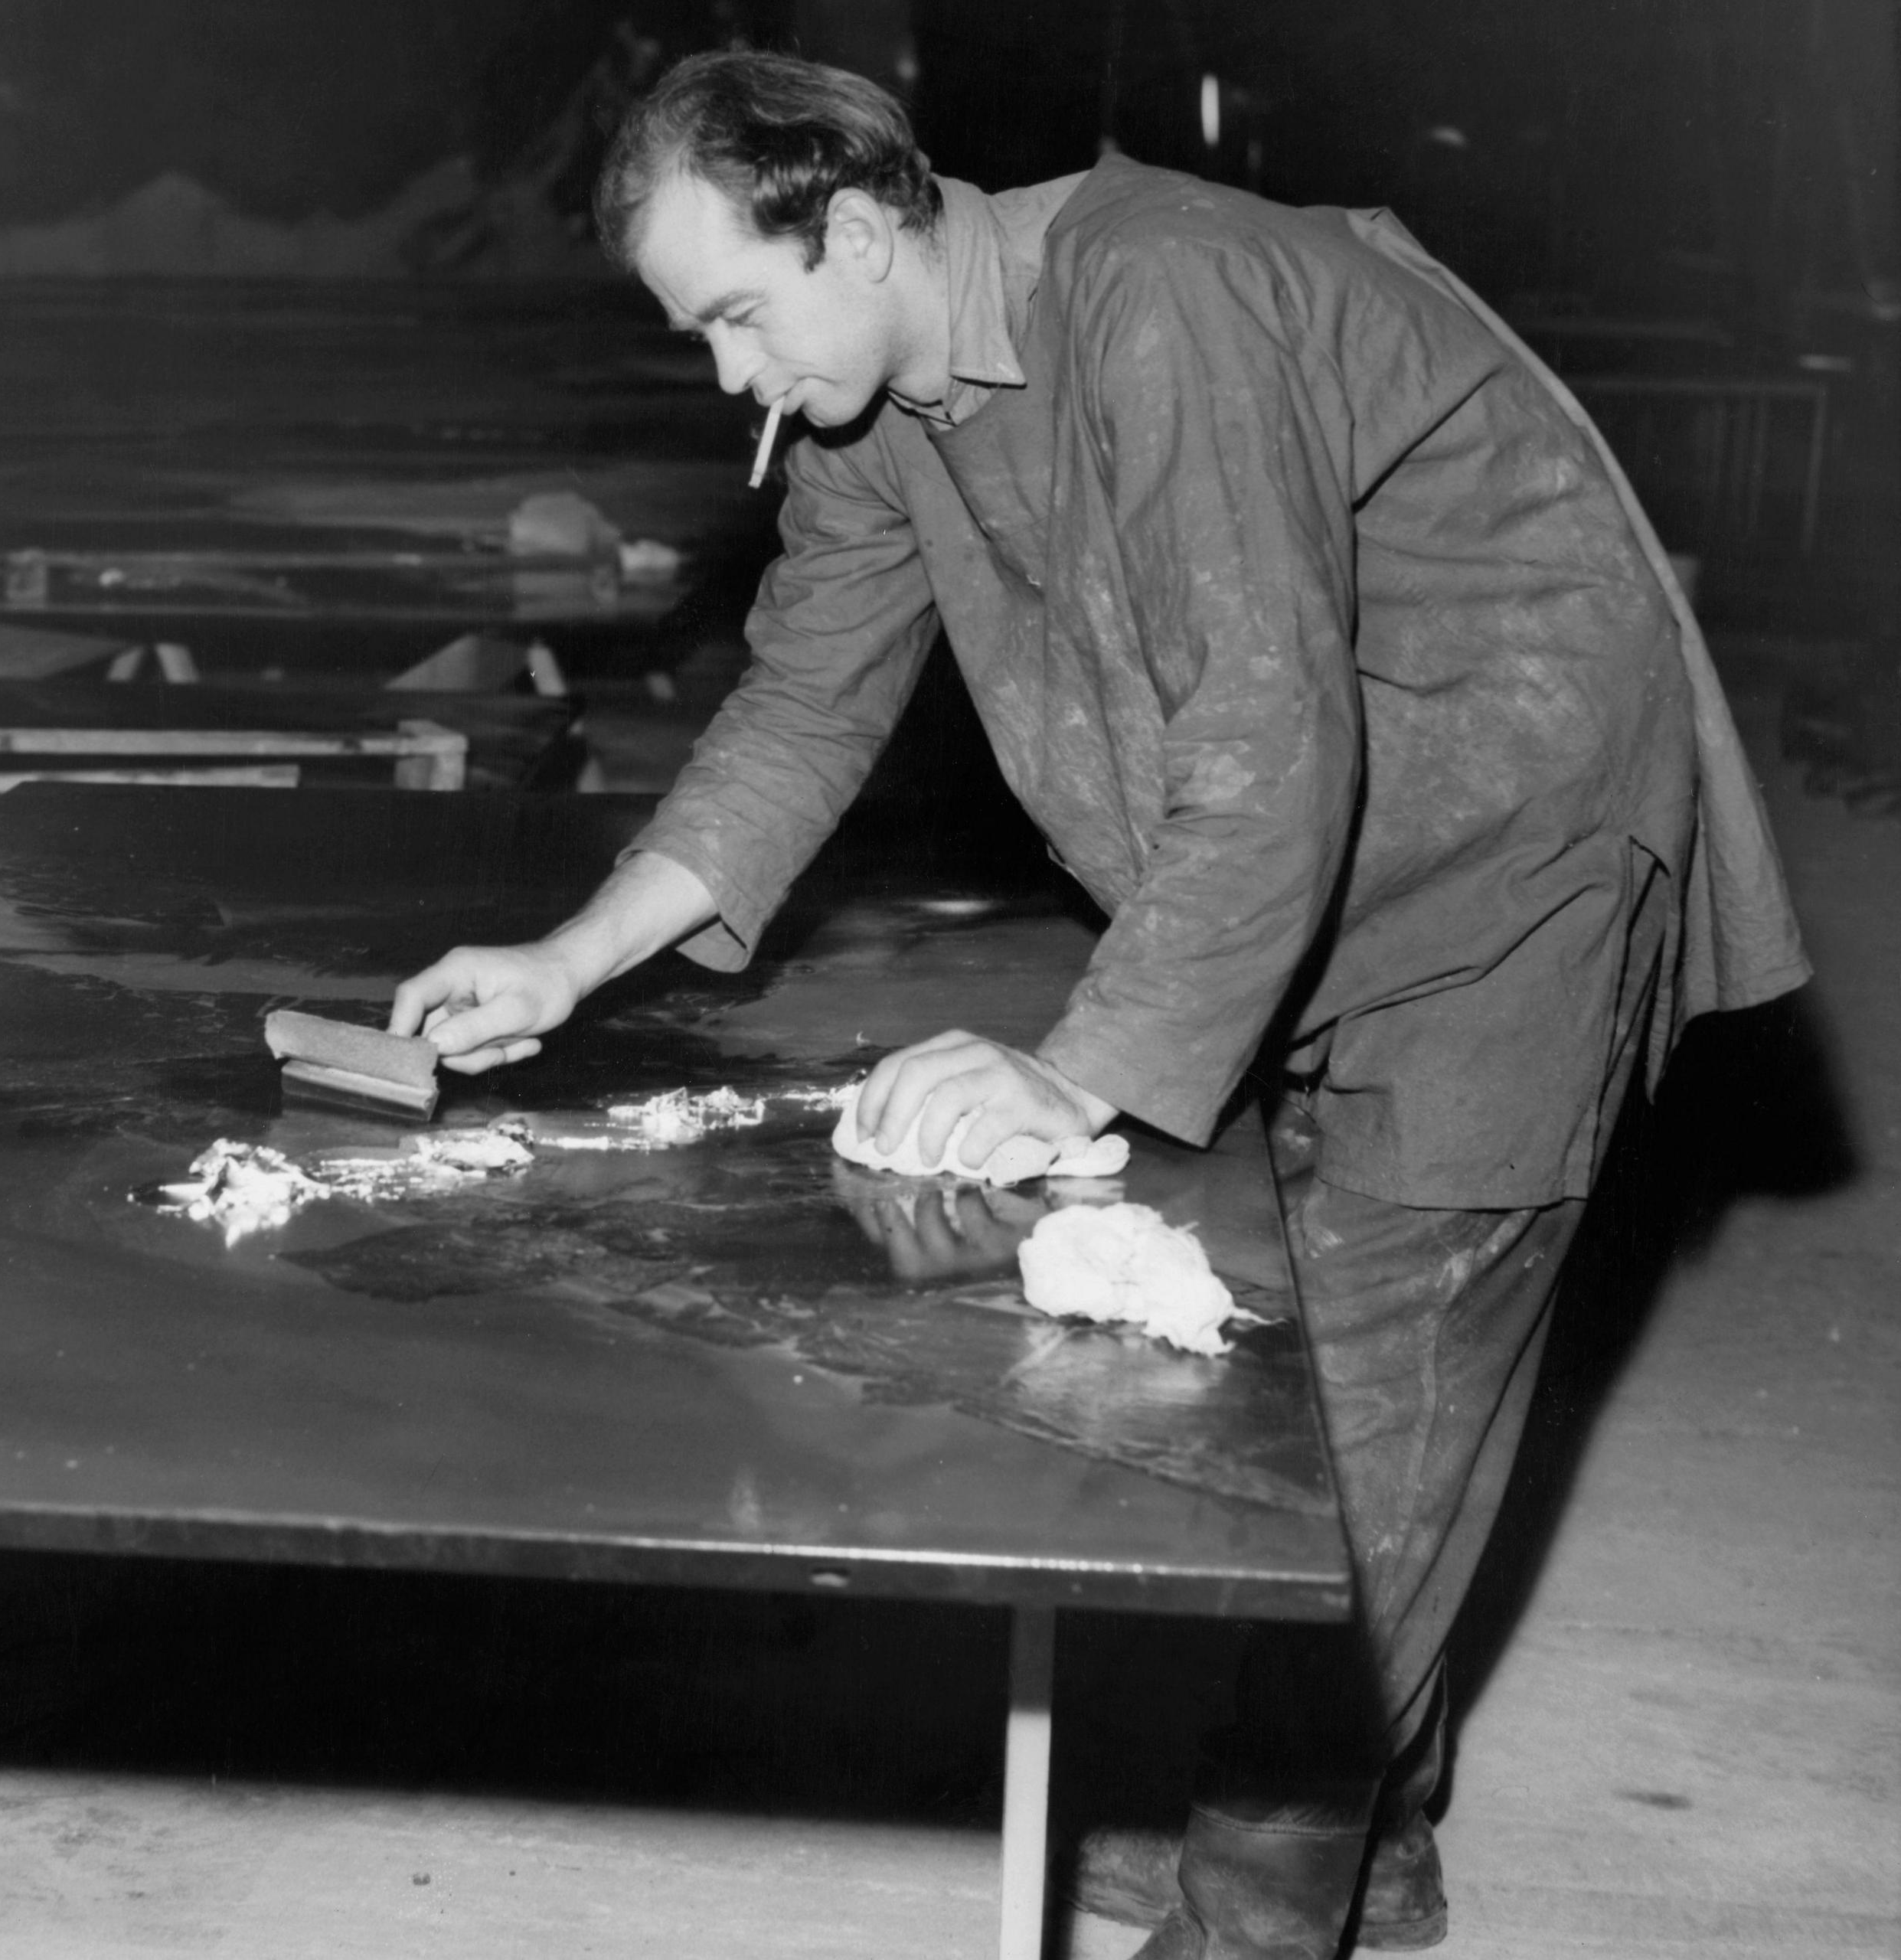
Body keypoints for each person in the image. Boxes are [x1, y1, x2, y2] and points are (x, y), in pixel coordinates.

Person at [388, 48, 1809, 1960]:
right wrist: (570, 955)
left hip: (1510, 854)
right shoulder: (874, 399)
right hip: (1300, 842)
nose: (727, 375)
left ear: (868, 224)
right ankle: (1367, 1839)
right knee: (1289, 1370)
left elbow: (1268, 747)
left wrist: (1075, 1077)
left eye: (737, 313)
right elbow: (804, 709)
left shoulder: (1160, 295)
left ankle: (1268, 1895)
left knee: (1364, 1430)